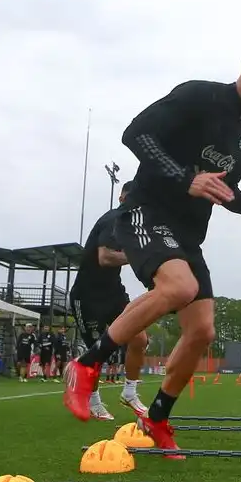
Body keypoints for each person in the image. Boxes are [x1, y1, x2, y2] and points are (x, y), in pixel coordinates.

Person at [62, 43, 241, 458]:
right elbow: (135, 134)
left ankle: (157, 416)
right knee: (179, 288)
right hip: (146, 212)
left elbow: (225, 191)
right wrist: (184, 178)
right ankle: (85, 364)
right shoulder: (198, 95)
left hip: (188, 237)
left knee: (202, 331)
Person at [68, 180, 149, 419]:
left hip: (114, 292)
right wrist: (138, 256)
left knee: (139, 338)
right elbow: (105, 257)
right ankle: (93, 401)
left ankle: (129, 393)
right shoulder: (113, 219)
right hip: (87, 296)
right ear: (122, 198)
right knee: (97, 352)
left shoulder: (134, 225)